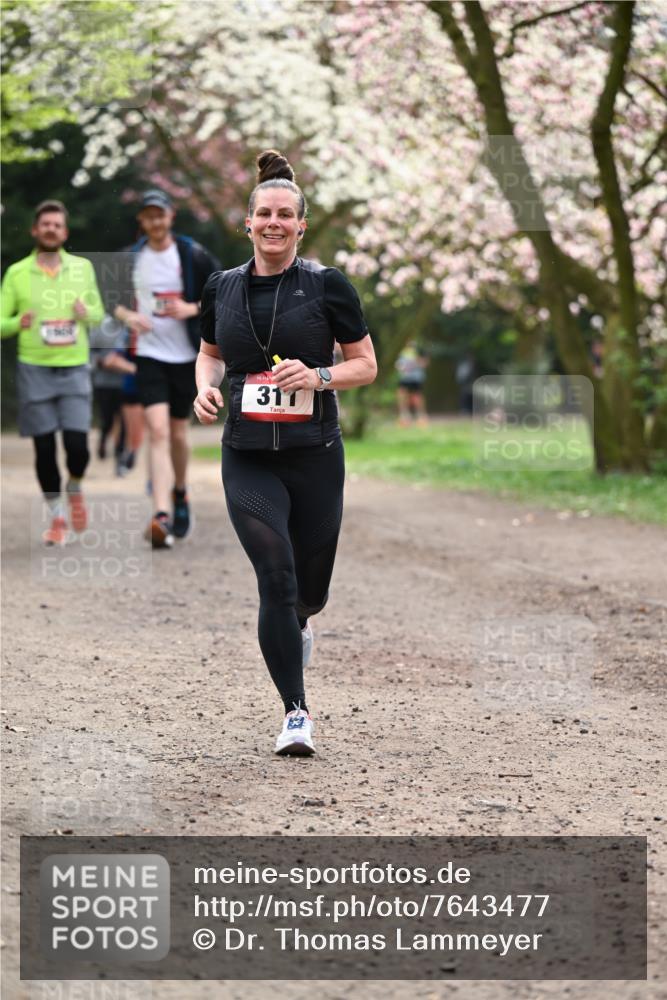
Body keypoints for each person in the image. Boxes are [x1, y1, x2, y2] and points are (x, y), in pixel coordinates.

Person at [194, 149, 377, 756]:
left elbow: (366, 365)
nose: (273, 223)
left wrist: (319, 376)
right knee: (275, 575)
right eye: (263, 214)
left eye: (285, 215)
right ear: (247, 223)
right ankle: (295, 713)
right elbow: (212, 353)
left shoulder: (328, 286)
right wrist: (204, 388)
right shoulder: (221, 286)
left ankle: (300, 621)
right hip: (247, 453)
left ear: (301, 225)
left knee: (308, 592)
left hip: (315, 452)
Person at [113, 189, 220, 548]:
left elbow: (224, 291)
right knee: (156, 431)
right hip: (148, 355)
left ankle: (179, 493)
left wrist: (192, 308)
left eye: (160, 215)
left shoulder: (191, 253)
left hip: (188, 356)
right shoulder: (131, 258)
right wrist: (129, 316)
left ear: (171, 216)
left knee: (176, 433)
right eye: (148, 216)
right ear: (141, 221)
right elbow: (110, 301)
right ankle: (160, 514)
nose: (155, 222)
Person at [1, 200, 104, 544]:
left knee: (78, 446)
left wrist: (84, 311)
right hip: (35, 369)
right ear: (35, 230)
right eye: (45, 224)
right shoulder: (17, 272)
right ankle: (57, 517)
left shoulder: (82, 268)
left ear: (65, 232)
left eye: (57, 225)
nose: (50, 229)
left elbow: (98, 315)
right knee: (44, 449)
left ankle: (74, 483)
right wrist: (18, 322)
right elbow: (0, 323)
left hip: (74, 367)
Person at [395, 340, 429, 426]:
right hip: (404, 377)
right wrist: (400, 367)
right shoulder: (401, 349)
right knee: (401, 396)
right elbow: (398, 364)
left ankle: (421, 417)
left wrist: (415, 363)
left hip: (415, 378)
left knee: (416, 398)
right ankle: (404, 418)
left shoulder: (419, 349)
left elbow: (425, 363)